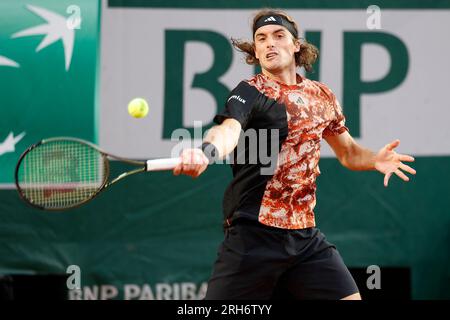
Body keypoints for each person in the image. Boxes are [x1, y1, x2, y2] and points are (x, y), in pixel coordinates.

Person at [172, 9, 416, 300]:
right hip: (252, 236)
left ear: (296, 45)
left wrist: (375, 158)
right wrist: (206, 152)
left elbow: (349, 153)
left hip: (304, 237)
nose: (269, 43)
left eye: (278, 36)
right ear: (256, 50)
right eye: (261, 39)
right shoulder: (249, 92)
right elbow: (228, 130)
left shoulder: (322, 96)